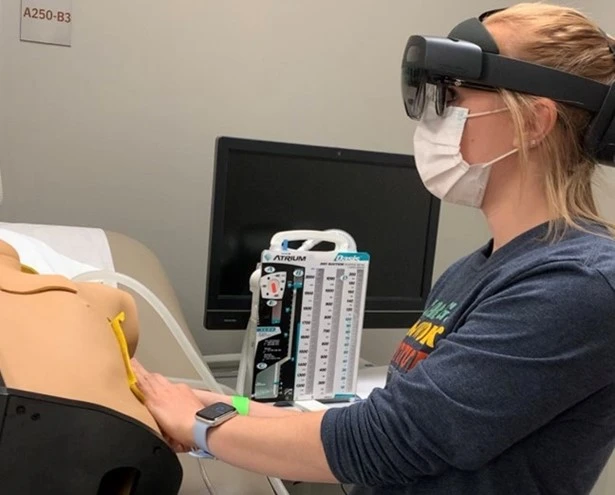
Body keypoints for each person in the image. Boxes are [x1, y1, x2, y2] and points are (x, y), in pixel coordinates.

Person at [133, 3, 615, 494]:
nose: (433, 117)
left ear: (532, 123)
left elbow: (390, 440)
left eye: (452, 95)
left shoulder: (580, 285)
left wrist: (199, 428)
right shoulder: (477, 269)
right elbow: (391, 415)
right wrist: (206, 403)